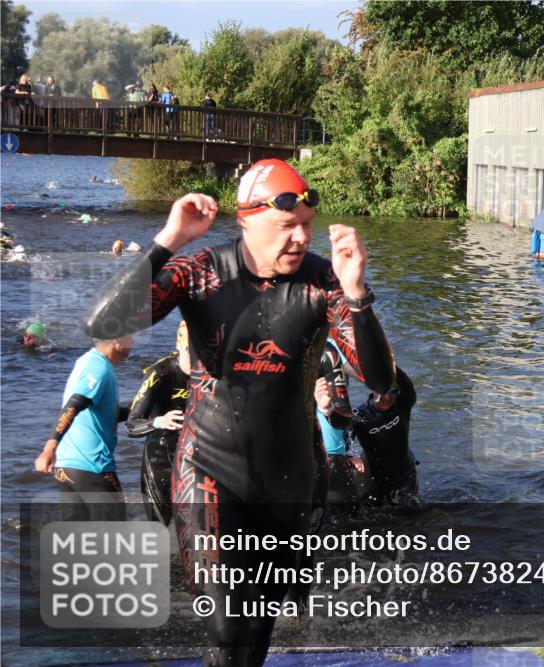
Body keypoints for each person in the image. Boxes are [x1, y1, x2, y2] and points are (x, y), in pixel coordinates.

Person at [82, 158, 395, 666]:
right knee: (227, 627)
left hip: (287, 479)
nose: (299, 238)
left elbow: (380, 383)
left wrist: (357, 294)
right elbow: (105, 322)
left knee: (256, 630)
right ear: (247, 221)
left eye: (306, 227)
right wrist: (168, 241)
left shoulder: (323, 282)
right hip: (208, 469)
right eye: (286, 226)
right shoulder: (201, 271)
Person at [34, 336, 133, 521]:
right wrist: (49, 448)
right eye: (130, 336)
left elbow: (101, 413)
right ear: (117, 340)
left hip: (67, 467)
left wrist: (136, 409)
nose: (133, 342)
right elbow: (73, 406)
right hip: (92, 467)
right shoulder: (99, 368)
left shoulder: (89, 360)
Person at [315, 340, 419, 508]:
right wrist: (348, 458)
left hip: (404, 472)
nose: (386, 398)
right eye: (381, 392)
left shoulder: (403, 404)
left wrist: (382, 360)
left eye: (392, 392)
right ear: (371, 389)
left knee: (411, 515)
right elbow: (341, 432)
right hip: (375, 479)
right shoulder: (360, 417)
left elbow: (405, 383)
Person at [126, 321, 191, 524]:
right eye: (191, 349)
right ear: (179, 345)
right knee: (160, 528)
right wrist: (157, 422)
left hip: (193, 459)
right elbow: (132, 424)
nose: (197, 358)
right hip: (160, 460)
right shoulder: (160, 373)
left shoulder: (209, 372)